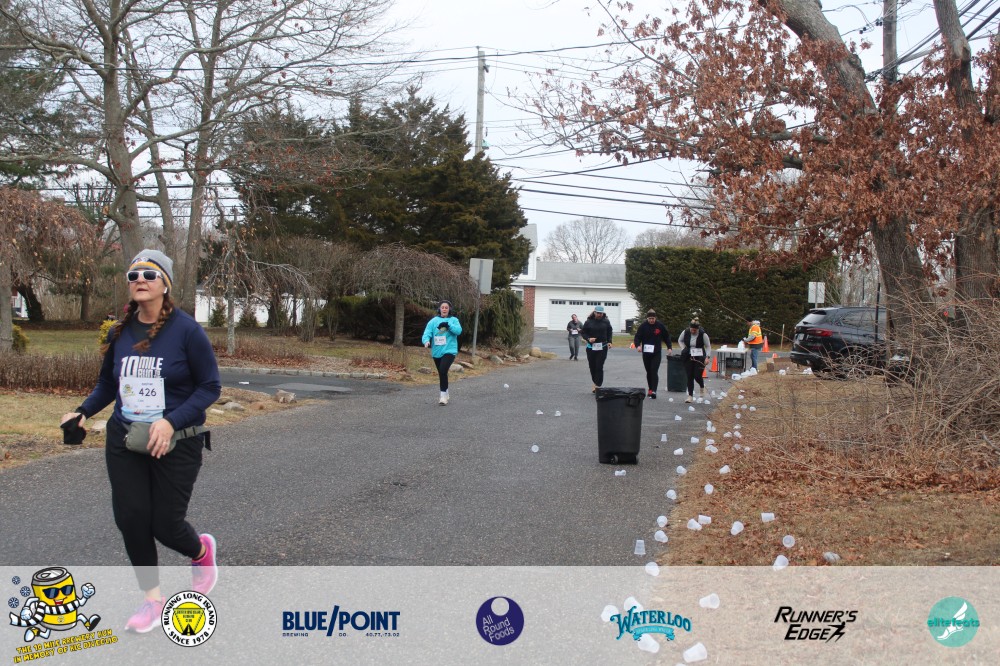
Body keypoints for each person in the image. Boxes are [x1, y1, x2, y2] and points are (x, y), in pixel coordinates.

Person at [60, 249, 221, 633]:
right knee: (131, 518)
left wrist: (169, 421)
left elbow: (210, 386)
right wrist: (83, 412)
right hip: (125, 437)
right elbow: (108, 383)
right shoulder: (120, 332)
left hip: (177, 440)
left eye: (149, 274)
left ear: (165, 284)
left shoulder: (187, 331)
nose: (140, 280)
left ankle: (200, 552)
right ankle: (152, 600)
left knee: (165, 525)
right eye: (133, 275)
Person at [422, 300, 462, 405]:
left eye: (446, 308)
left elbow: (458, 331)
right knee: (441, 373)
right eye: (442, 307)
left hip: (450, 350)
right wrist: (426, 341)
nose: (444, 309)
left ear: (449, 309)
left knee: (443, 370)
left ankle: (443, 396)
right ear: (439, 309)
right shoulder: (433, 321)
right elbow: (427, 332)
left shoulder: (454, 320)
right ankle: (446, 391)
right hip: (437, 351)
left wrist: (449, 325)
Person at [632, 309, 673, 399]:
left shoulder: (660, 326)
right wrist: (638, 346)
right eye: (650, 318)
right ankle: (650, 389)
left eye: (653, 318)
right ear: (647, 318)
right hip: (646, 352)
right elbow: (637, 337)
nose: (651, 320)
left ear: (655, 318)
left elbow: (666, 337)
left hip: (656, 352)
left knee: (654, 370)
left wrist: (669, 347)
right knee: (649, 371)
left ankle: (654, 390)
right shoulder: (643, 326)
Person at [581, 305, 614, 393]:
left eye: (601, 313)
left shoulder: (606, 321)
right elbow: (583, 333)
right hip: (591, 347)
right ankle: (595, 382)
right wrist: (588, 339)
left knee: (599, 366)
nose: (599, 315)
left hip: (602, 347)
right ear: (594, 312)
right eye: (598, 313)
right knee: (592, 366)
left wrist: (610, 341)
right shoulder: (588, 322)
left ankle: (597, 385)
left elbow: (609, 331)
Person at [678, 319, 712, 402]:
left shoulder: (703, 334)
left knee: (697, 376)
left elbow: (708, 346)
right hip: (688, 356)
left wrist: (707, 357)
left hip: (700, 356)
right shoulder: (685, 332)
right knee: (689, 376)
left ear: (698, 329)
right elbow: (680, 340)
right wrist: (683, 348)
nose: (693, 331)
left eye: (695, 330)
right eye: (692, 330)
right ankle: (690, 396)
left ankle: (702, 386)